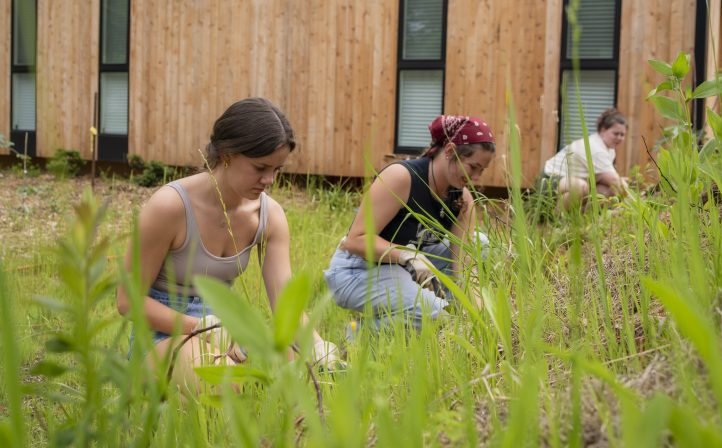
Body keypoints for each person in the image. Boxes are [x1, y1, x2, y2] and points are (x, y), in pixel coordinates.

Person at [116, 97, 340, 391]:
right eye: (260, 167)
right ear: (227, 155)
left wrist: (317, 345)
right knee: (226, 384)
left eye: (277, 169)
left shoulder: (268, 215)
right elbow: (126, 301)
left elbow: (286, 303)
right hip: (162, 336)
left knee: (306, 372)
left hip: (226, 333)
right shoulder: (170, 207)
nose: (269, 180)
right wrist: (203, 328)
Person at [323, 115, 496, 333]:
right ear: (451, 151)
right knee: (436, 315)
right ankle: (359, 336)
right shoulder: (402, 178)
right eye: (473, 167)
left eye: (482, 170)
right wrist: (410, 255)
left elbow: (464, 267)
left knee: (481, 244)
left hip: (402, 269)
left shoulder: (462, 199)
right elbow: (354, 241)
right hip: (357, 270)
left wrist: (480, 316)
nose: (476, 178)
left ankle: (449, 319)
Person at [539, 108, 628, 211]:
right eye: (616, 133)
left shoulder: (608, 149)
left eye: (622, 135)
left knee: (607, 190)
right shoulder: (596, 149)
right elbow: (615, 181)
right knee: (581, 187)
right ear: (603, 130)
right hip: (550, 179)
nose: (619, 138)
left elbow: (611, 181)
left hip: (570, 181)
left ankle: (581, 218)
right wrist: (636, 203)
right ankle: (556, 218)